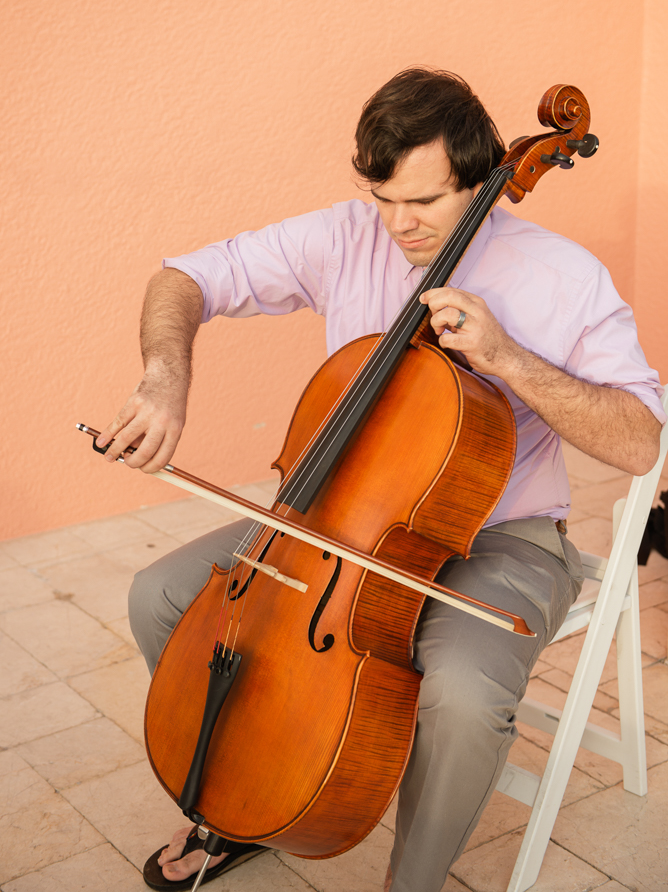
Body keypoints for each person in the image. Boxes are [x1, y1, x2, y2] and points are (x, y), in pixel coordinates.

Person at [97, 68, 664, 892]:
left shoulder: (566, 277)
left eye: (424, 204)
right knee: (161, 595)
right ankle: (244, 805)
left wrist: (506, 359)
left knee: (465, 697)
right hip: (339, 517)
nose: (397, 225)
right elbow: (184, 277)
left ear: (481, 181)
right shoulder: (344, 236)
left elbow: (641, 440)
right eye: (381, 197)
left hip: (499, 537)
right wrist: (163, 375)